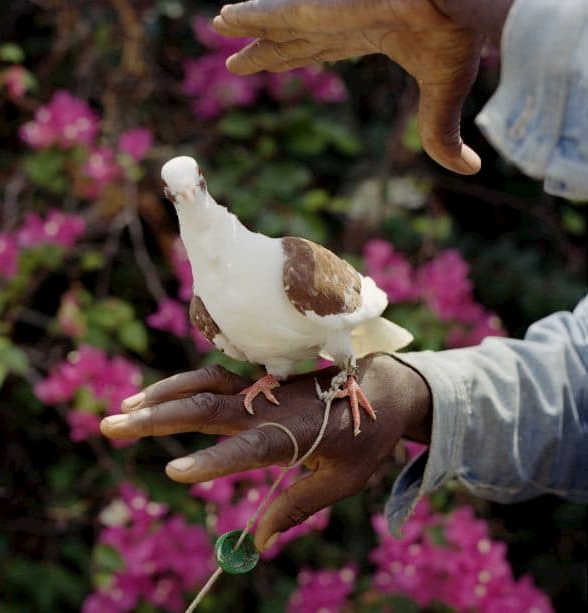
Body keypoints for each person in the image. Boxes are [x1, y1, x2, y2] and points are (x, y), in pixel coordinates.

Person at [101, 0, 588, 551]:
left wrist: (449, 4)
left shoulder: (290, 264)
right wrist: (416, 393)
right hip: (316, 360)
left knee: (339, 348)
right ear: (172, 197)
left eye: (196, 189)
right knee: (246, 347)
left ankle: (352, 370)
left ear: (204, 185)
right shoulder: (208, 308)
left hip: (343, 329)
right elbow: (577, 382)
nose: (189, 198)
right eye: (177, 195)